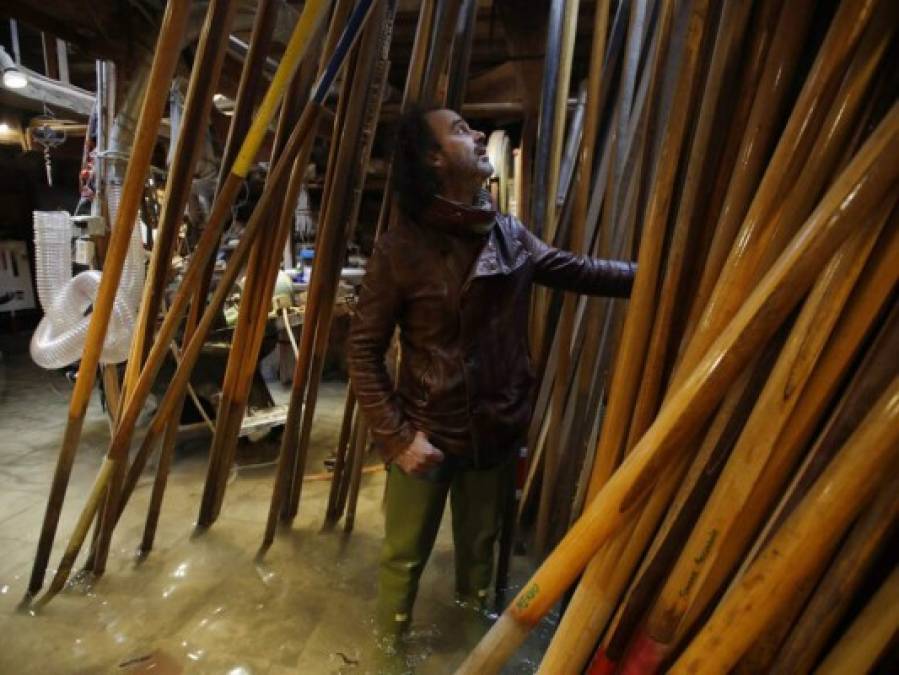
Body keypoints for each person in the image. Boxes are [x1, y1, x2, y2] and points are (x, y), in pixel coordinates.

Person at [347, 107, 636, 642]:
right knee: (404, 559)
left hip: (497, 427)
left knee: (481, 560)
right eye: (460, 130)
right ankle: (388, 654)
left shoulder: (507, 233)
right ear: (434, 158)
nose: (479, 135)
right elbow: (362, 351)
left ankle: (471, 649)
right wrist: (396, 437)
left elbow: (580, 270)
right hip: (427, 429)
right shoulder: (401, 248)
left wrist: (650, 275)